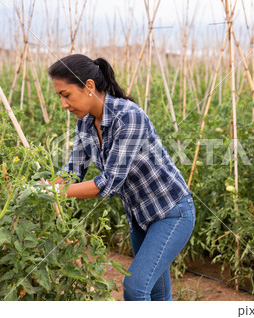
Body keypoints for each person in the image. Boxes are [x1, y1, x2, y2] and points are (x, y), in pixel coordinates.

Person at [47, 54, 195, 301]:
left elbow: (110, 182)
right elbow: (73, 170)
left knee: (136, 288)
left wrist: (56, 193)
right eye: (59, 97)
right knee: (157, 294)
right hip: (140, 216)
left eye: (66, 95)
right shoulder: (84, 123)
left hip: (172, 212)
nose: (63, 104)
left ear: (89, 87)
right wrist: (41, 188)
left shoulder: (128, 116)